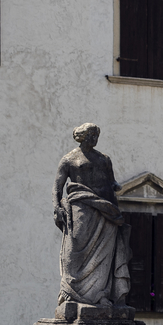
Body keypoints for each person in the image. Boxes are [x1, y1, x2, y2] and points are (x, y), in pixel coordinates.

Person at [52, 123, 130, 312]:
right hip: (81, 207)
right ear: (81, 136)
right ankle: (70, 292)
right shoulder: (69, 159)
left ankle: (100, 295)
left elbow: (112, 182)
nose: (94, 138)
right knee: (74, 248)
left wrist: (115, 187)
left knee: (104, 254)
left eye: (96, 135)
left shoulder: (104, 159)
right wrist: (56, 207)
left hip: (105, 209)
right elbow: (58, 185)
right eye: (91, 134)